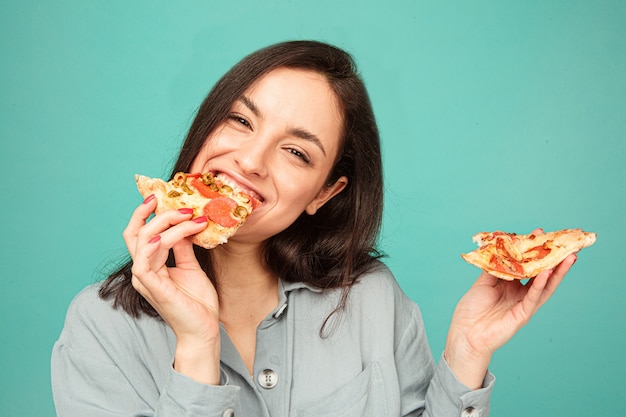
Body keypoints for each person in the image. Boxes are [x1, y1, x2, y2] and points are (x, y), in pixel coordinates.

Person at [51, 40, 577, 417]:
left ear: (324, 193)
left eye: (297, 152)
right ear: (206, 125)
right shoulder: (101, 327)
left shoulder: (371, 299)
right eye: (240, 120)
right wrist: (195, 344)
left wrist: (467, 352)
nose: (252, 161)